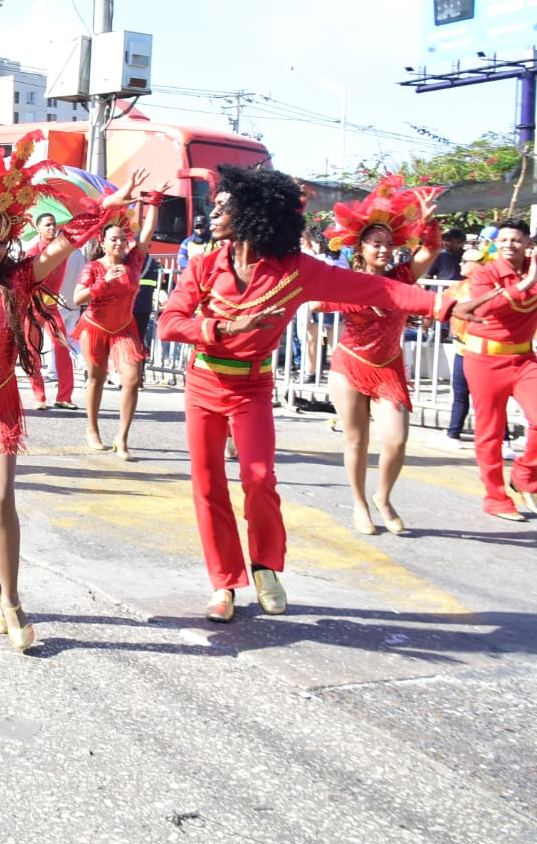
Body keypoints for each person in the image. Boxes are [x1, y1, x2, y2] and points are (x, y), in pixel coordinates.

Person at [157, 165, 488, 623]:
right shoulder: (203, 266)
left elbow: (378, 288)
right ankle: (223, 582)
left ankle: (266, 567)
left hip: (253, 386)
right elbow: (169, 323)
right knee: (208, 484)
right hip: (203, 383)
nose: (213, 213)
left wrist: (443, 304)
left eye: (224, 206)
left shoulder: (297, 271)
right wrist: (224, 326)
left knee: (258, 478)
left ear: (254, 214)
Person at [0, 134, 144, 650]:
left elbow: (61, 242)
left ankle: (15, 600)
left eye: (0, 240)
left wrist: (103, 206)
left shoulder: (16, 282)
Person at [316, 178, 444, 534]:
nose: (385, 250)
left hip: (389, 368)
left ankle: (382, 497)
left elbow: (429, 251)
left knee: (397, 440)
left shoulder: (403, 276)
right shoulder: (346, 280)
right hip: (350, 366)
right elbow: (315, 298)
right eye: (377, 244)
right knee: (356, 440)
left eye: (389, 244)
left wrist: (428, 223)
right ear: (361, 247)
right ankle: (359, 504)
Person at [72, 189, 165, 459]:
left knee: (133, 380)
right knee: (96, 379)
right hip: (95, 327)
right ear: (102, 241)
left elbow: (147, 233)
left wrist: (154, 203)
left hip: (124, 328)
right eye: (113, 240)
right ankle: (92, 430)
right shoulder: (93, 267)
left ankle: (122, 438)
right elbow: (77, 297)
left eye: (123, 240)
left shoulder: (134, 260)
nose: (119, 244)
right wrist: (103, 283)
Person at [461, 219, 537, 521]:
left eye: (516, 240)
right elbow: (481, 310)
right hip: (484, 361)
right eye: (503, 240)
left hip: (523, 360)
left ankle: (524, 475)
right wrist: (526, 283)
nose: (509, 245)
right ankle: (495, 498)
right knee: (490, 432)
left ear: (527, 244)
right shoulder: (485, 273)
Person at [23, 213, 77, 411]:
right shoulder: (31, 253)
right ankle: (40, 395)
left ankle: (65, 396)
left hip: (52, 308)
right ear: (38, 229)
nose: (52, 228)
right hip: (31, 307)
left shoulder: (62, 248)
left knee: (63, 347)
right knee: (31, 351)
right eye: (47, 225)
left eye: (54, 224)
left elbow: (76, 236)